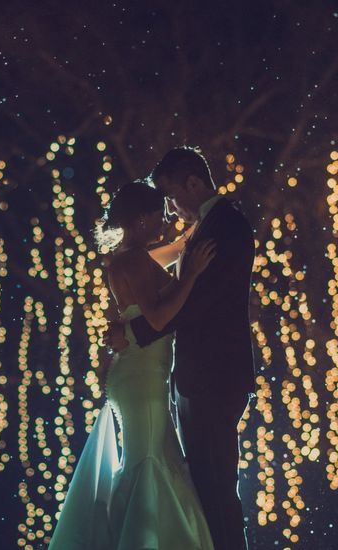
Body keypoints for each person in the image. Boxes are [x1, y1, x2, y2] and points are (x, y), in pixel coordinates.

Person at [48, 179, 216, 550]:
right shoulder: (134, 259)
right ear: (142, 219)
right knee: (150, 467)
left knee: (152, 464)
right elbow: (156, 318)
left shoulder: (130, 257)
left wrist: (196, 226)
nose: (165, 221)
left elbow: (173, 251)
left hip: (140, 375)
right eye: (160, 215)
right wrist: (191, 276)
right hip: (142, 379)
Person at [106, 147, 257, 550]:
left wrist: (132, 330)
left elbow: (196, 302)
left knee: (214, 484)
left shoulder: (224, 226)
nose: (169, 210)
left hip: (212, 374)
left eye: (171, 196)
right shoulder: (208, 225)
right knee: (204, 482)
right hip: (189, 375)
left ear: (193, 184)